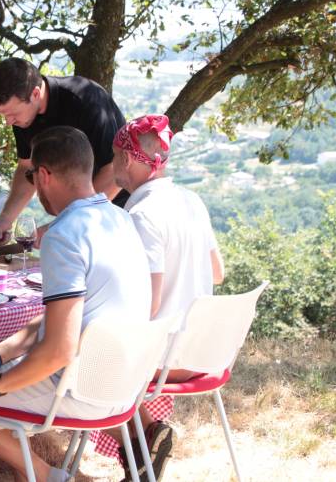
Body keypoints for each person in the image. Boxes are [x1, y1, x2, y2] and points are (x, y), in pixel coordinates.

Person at [0, 126, 151, 482]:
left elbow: (60, 351)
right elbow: (63, 321)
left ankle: (47, 476)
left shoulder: (63, 234)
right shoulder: (120, 219)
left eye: (31, 176)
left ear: (44, 176)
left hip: (84, 389)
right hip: (127, 385)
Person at [108, 114, 225, 481]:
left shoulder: (141, 213)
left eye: (112, 157)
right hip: (203, 351)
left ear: (126, 159)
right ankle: (143, 452)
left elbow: (149, 305)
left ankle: (148, 436)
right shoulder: (190, 200)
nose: (111, 166)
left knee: (79, 362)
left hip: (164, 359)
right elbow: (218, 273)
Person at [0, 58, 128, 245]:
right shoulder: (24, 116)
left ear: (35, 94)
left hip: (115, 211)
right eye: (3, 116)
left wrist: (64, 223)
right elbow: (27, 168)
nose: (8, 122)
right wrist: (5, 220)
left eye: (12, 114)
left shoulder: (86, 100)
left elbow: (115, 170)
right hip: (76, 215)